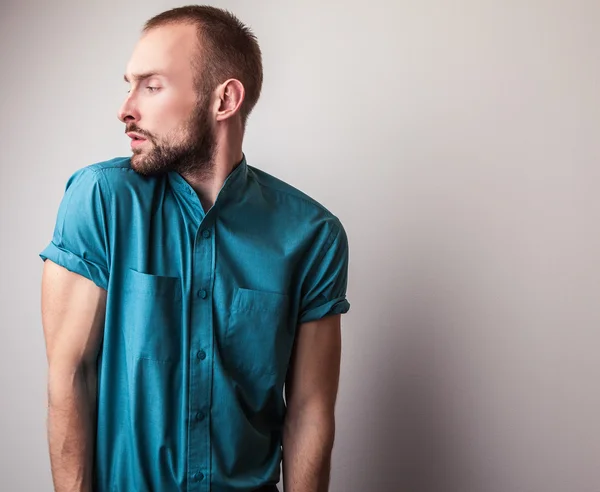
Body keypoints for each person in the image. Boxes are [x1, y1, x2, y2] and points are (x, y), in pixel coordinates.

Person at [40, 5, 350, 492]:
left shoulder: (313, 235)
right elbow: (69, 376)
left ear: (224, 98)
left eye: (152, 85)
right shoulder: (101, 200)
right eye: (129, 84)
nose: (126, 108)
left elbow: (310, 409)